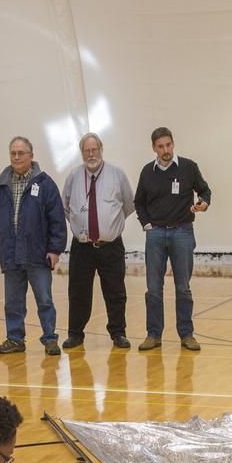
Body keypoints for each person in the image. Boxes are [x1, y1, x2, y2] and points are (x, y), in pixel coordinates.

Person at [0, 136, 67, 356]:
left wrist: (54, 249)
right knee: (13, 302)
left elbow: (57, 219)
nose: (17, 157)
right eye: (13, 153)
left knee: (45, 300)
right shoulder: (1, 185)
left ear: (31, 155)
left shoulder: (45, 184)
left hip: (37, 254)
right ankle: (15, 339)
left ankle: (50, 339)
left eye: (21, 153)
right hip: (11, 254)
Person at [133, 126, 211, 352]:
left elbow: (205, 191)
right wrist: (146, 224)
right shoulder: (147, 172)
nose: (165, 150)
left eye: (168, 145)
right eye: (160, 146)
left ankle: (187, 334)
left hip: (183, 232)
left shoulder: (188, 167)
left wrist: (204, 204)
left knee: (183, 287)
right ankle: (153, 334)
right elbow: (139, 201)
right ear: (153, 148)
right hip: (155, 234)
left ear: (173, 143)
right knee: (153, 289)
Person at [62, 133, 135, 349]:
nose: (91, 154)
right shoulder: (74, 176)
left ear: (101, 149)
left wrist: (108, 224)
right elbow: (65, 206)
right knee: (78, 292)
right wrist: (80, 223)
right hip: (82, 247)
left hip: (110, 246)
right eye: (87, 150)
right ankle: (75, 334)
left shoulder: (117, 174)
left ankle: (118, 333)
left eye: (94, 149)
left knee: (115, 292)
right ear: (82, 152)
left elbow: (129, 205)